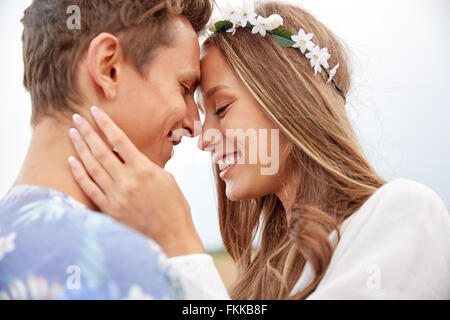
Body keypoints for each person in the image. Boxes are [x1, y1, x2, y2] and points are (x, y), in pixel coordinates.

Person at [66, 1, 450, 300]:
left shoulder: (405, 213)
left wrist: (178, 240)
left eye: (221, 108)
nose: (204, 137)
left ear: (288, 101)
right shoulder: (266, 271)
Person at [0, 0, 215, 299]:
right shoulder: (123, 266)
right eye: (185, 88)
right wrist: (183, 246)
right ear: (108, 67)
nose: (195, 125)